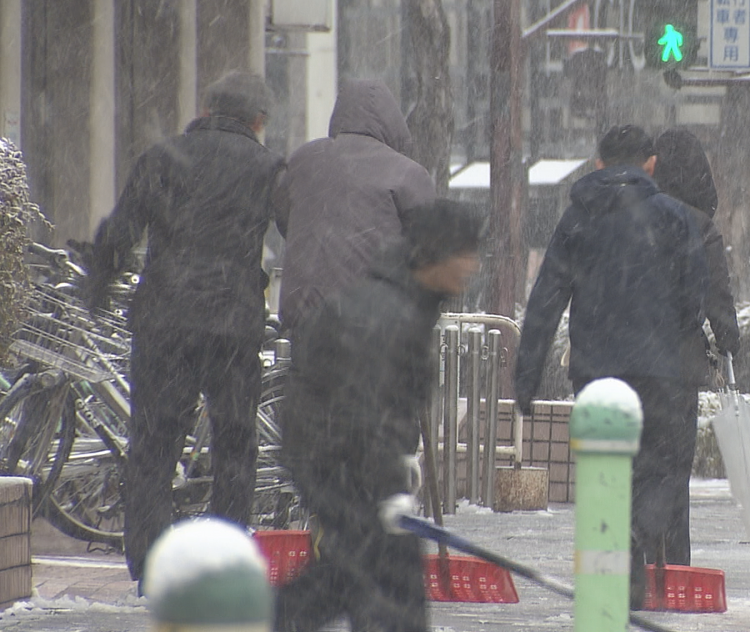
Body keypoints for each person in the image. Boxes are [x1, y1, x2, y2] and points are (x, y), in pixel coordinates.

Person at [77, 72, 286, 583]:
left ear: (208, 108)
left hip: (165, 321)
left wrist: (97, 288)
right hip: (232, 327)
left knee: (153, 442)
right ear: (258, 120)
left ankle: (150, 559)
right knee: (234, 444)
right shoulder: (268, 169)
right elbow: (300, 234)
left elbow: (120, 231)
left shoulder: (164, 157)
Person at [514, 124, 708, 607]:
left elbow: (544, 301)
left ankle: (611, 580)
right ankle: (636, 538)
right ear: (651, 164)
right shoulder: (675, 218)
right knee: (661, 466)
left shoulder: (577, 219)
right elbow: (694, 304)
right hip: (658, 372)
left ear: (598, 164)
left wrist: (526, 376)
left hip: (596, 371)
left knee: (606, 469)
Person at [274, 199, 484, 632]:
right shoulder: (387, 316)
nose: (473, 265)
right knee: (381, 584)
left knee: (350, 578)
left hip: (347, 466)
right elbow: (362, 412)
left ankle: (256, 620)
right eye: (465, 253)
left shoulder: (408, 302)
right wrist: (384, 487)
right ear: (435, 254)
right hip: (340, 466)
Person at [274, 78, 436, 332]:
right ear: (393, 122)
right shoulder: (407, 173)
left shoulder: (303, 161)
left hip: (305, 319)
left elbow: (285, 219)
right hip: (373, 326)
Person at [651, 127, 739, 565]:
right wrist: (728, 341)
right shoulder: (699, 226)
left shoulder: (633, 214)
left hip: (626, 362)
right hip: (677, 367)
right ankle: (673, 562)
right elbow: (718, 297)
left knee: (635, 468)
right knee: (673, 471)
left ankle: (635, 559)